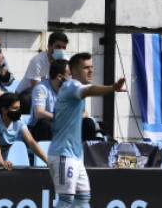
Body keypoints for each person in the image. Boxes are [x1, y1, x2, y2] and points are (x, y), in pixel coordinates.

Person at [47, 53, 126, 208]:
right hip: (63, 154)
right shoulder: (72, 86)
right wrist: (112, 88)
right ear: (75, 71)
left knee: (83, 199)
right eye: (86, 68)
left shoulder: (73, 89)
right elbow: (91, 90)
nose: (91, 71)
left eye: (91, 67)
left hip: (75, 156)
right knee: (66, 200)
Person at [0, 93, 48, 169]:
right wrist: (0, 162)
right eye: (15, 108)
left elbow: (31, 142)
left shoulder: (19, 121)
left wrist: (47, 161)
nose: (18, 111)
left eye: (19, 108)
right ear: (4, 110)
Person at [15, 31, 68, 114]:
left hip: (53, 95)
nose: (61, 50)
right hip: (29, 94)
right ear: (49, 47)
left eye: (64, 47)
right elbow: (36, 89)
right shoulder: (37, 61)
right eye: (58, 47)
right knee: (26, 101)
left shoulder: (67, 63)